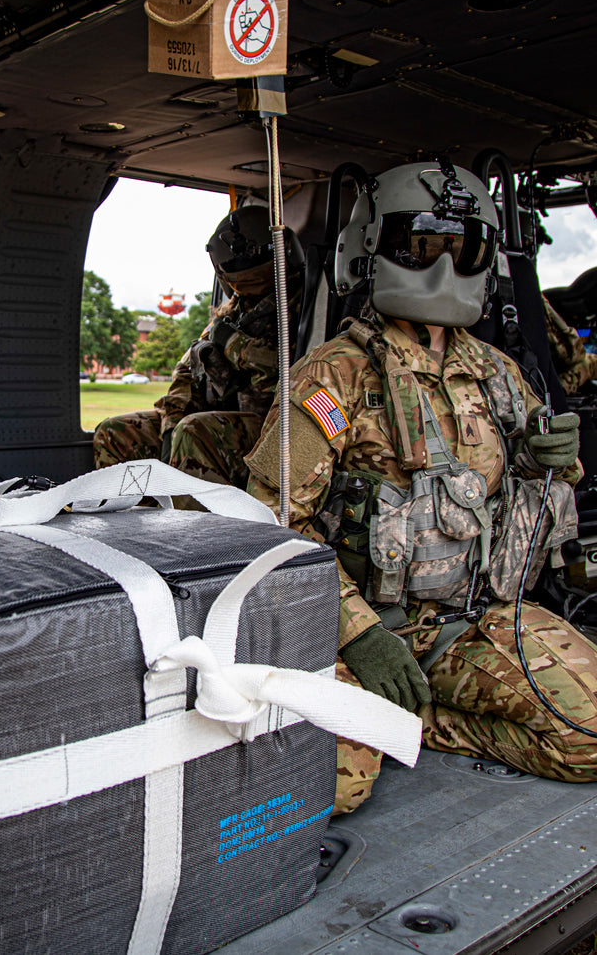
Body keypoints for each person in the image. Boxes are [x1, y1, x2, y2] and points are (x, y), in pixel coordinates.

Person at [244, 159, 597, 814]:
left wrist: (551, 460)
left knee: (589, 737)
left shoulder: (498, 374)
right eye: (423, 244)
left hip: (470, 622)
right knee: (334, 787)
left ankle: (417, 727)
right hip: (361, 630)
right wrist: (359, 635)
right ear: (373, 251)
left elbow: (534, 497)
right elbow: (266, 526)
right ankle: (374, 722)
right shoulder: (332, 378)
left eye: (464, 250)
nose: (444, 266)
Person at [93, 206, 304, 488]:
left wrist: (233, 343)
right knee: (114, 431)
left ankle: (191, 530)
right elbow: (185, 375)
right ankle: (134, 524)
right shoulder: (231, 315)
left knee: (193, 431)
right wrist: (170, 429)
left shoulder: (303, 311)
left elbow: (289, 372)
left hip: (276, 426)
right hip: (215, 422)